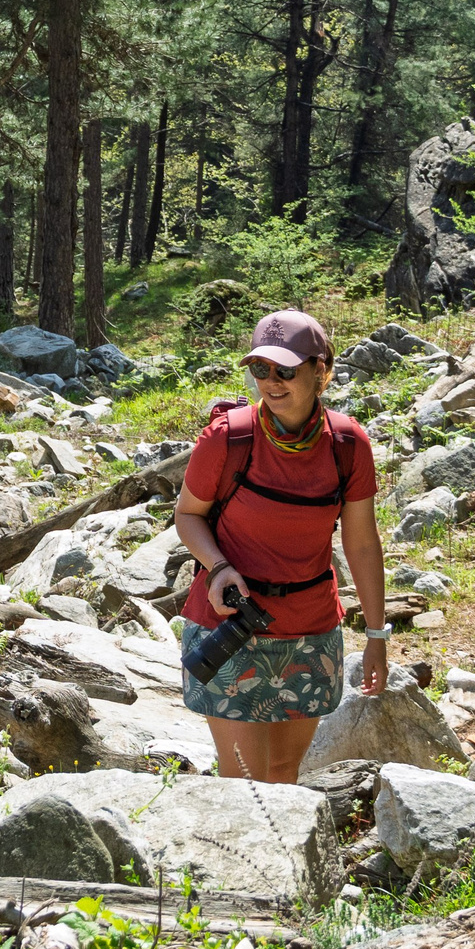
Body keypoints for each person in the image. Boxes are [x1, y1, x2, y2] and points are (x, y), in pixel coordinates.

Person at [172, 309, 390, 782]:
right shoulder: (227, 438)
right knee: (242, 774)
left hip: (310, 629)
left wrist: (376, 636)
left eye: (286, 370)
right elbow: (187, 515)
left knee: (284, 772)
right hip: (228, 629)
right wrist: (218, 566)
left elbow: (363, 545)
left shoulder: (348, 444)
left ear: (322, 371)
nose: (271, 382)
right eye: (260, 369)